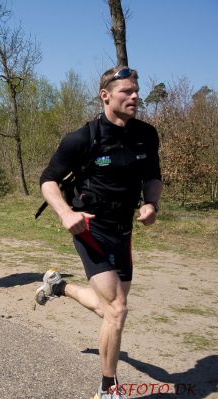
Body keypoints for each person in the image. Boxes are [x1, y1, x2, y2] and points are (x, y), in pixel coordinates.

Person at [35, 66, 163, 399]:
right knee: (117, 308)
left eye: (136, 90)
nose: (134, 96)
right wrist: (66, 213)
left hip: (124, 228)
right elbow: (48, 180)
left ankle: (59, 286)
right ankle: (108, 387)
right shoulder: (83, 137)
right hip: (90, 226)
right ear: (105, 95)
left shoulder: (147, 135)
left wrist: (151, 203)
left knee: (110, 307)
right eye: (126, 91)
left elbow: (152, 175)